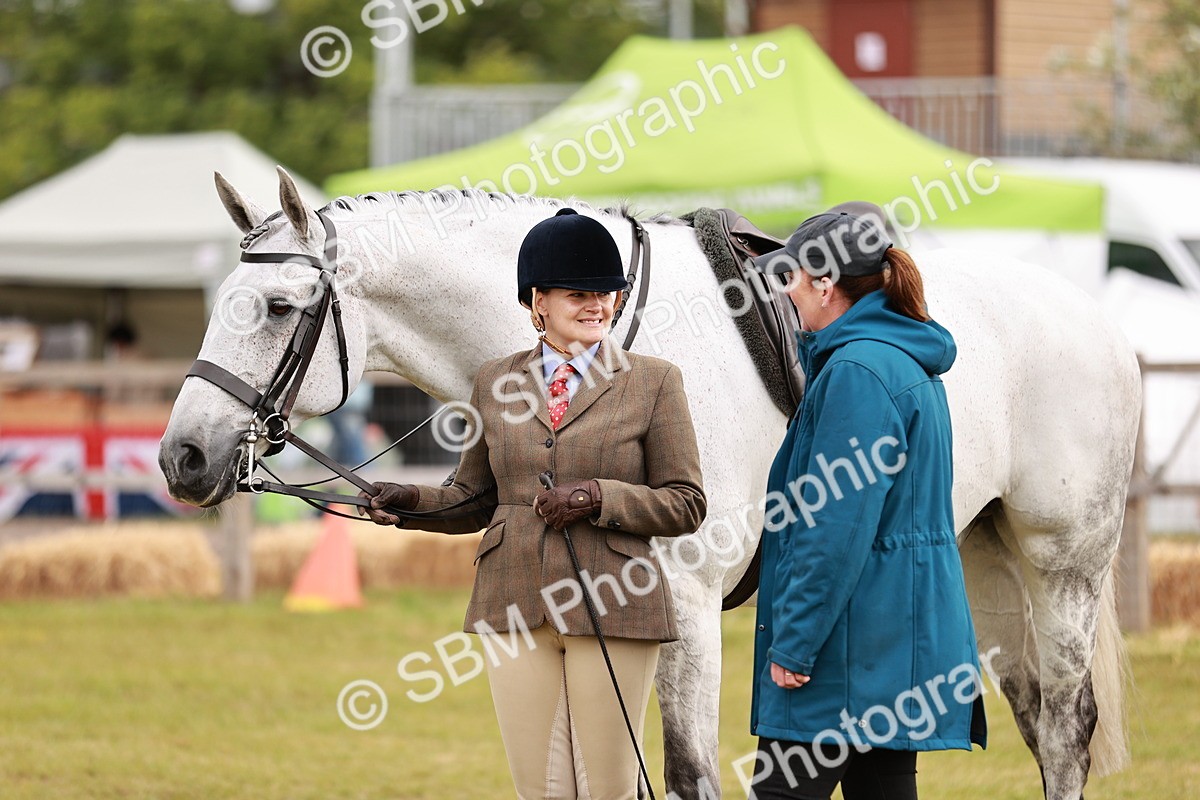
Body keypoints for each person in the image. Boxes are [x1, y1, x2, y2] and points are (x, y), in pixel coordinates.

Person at [359, 207, 707, 799]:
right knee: (541, 790)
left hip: (615, 601)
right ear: (537, 300)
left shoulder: (654, 381)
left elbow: (686, 503)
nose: (598, 305)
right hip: (513, 601)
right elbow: (475, 498)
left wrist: (598, 496)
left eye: (607, 293)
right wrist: (411, 501)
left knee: (608, 789)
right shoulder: (496, 382)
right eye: (578, 294)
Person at [745, 202, 986, 800]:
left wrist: (796, 641)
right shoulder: (900, 357)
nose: (787, 292)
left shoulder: (857, 370)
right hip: (890, 644)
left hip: (844, 652)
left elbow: (835, 527)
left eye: (792, 277)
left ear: (826, 284)